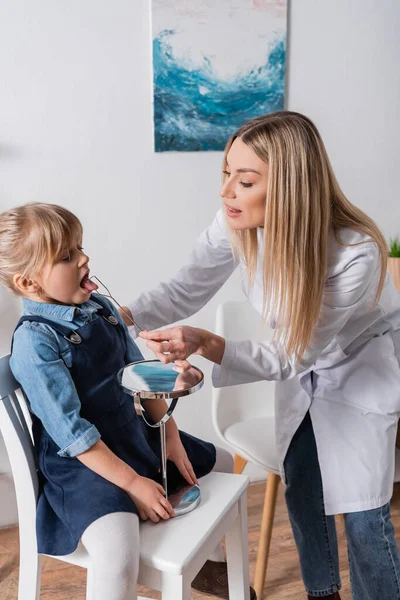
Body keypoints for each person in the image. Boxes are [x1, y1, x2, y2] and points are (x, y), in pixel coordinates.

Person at [120, 111, 400, 600]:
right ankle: (323, 594)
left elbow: (294, 351)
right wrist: (118, 317)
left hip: (360, 371)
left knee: (362, 514)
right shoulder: (238, 219)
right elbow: (185, 287)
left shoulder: (356, 252)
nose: (227, 190)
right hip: (302, 370)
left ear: (290, 186)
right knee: (302, 488)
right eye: (226, 173)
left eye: (245, 180)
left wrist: (206, 342)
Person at [0, 203, 256, 600]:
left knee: (220, 463)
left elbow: (142, 378)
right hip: (84, 464)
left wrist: (169, 434)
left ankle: (208, 569)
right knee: (117, 550)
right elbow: (74, 436)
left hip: (133, 435)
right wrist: (134, 483)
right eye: (67, 256)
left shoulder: (101, 309)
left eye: (80, 247)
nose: (84, 258)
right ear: (30, 282)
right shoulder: (35, 343)